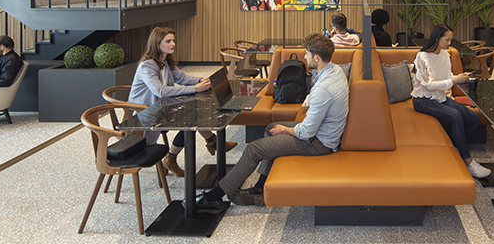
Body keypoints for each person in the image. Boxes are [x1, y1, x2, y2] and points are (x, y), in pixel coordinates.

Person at [198, 32, 349, 207]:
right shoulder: (335, 70)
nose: (304, 56)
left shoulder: (323, 89)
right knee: (271, 127)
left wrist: (286, 130)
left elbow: (307, 132)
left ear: (316, 57)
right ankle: (261, 187)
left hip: (319, 143)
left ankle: (214, 196)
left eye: (307, 54)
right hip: (324, 131)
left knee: (254, 149)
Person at [129, 27, 238, 177]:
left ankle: (200, 146)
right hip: (147, 112)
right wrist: (195, 88)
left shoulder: (165, 61)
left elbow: (182, 78)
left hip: (163, 107)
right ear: (157, 43)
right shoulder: (147, 65)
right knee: (191, 119)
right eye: (168, 41)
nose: (173, 44)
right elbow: (160, 91)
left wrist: (201, 81)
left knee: (193, 116)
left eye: (173, 40)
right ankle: (211, 142)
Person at [411, 24, 491, 179]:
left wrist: (458, 77)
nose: (449, 43)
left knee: (473, 118)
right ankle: (467, 161)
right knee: (456, 116)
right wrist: (454, 80)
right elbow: (429, 85)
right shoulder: (422, 56)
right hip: (422, 100)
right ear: (437, 38)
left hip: (440, 97)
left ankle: (453, 148)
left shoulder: (445, 55)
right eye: (447, 40)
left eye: (450, 40)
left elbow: (448, 76)